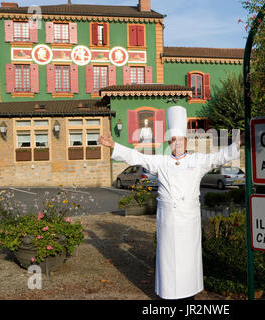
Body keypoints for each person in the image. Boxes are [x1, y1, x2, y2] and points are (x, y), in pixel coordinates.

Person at [98, 106, 241, 300]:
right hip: (168, 221)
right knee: (168, 261)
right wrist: (114, 146)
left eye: (180, 139)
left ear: (186, 141)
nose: (177, 143)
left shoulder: (198, 160)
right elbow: (138, 157)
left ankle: (189, 294)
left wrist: (237, 144)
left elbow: (217, 158)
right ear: (169, 142)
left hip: (188, 221)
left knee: (187, 261)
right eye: (173, 140)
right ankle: (167, 295)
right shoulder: (162, 162)